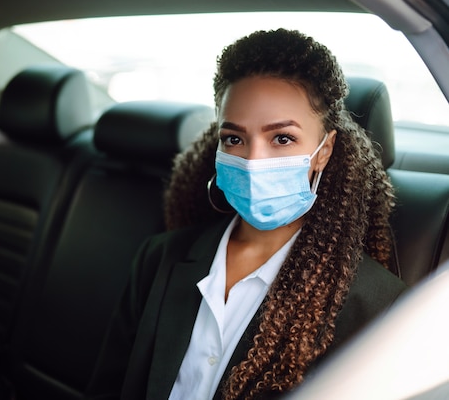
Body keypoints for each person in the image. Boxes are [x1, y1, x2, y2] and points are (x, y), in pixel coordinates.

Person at [85, 28, 407, 400]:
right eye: (234, 139)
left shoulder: (378, 308)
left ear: (324, 150)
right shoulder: (158, 258)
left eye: (282, 138)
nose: (253, 161)